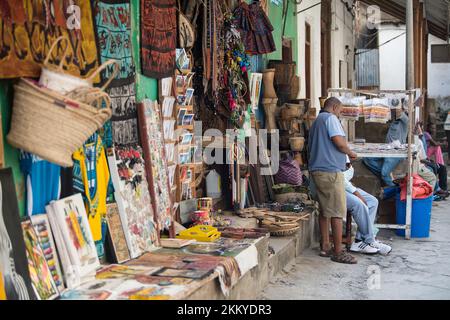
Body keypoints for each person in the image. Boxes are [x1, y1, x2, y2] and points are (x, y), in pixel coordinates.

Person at [308, 97, 358, 264]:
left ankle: (325, 246)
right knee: (337, 212)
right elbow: (339, 143)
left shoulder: (317, 121)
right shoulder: (331, 119)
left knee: (324, 210)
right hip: (329, 172)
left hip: (317, 170)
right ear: (335, 107)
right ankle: (337, 251)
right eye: (340, 110)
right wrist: (351, 153)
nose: (340, 113)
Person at [344, 158, 392, 255]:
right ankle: (370, 240)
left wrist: (349, 162)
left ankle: (359, 240)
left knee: (372, 201)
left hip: (345, 185)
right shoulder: (336, 149)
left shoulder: (344, 152)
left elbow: (347, 175)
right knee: (360, 204)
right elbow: (340, 178)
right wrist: (356, 193)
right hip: (338, 186)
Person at [363, 108, 409, 186]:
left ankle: (393, 189)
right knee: (367, 159)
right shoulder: (394, 121)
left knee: (384, 173)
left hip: (396, 153)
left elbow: (398, 111)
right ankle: (385, 174)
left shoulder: (405, 121)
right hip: (387, 149)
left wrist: (392, 103)